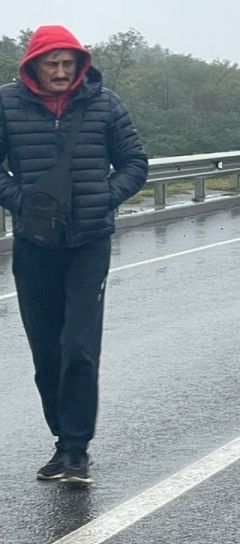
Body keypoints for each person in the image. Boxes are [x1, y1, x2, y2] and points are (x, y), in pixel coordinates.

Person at [0, 25, 148, 485]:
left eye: (69, 63)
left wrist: (103, 198)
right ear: (33, 66)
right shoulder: (7, 105)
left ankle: (77, 450)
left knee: (78, 347)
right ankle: (62, 443)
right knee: (47, 353)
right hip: (34, 245)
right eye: (52, 64)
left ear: (79, 65)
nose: (62, 72)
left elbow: (135, 163)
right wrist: (21, 201)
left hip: (88, 243)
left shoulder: (104, 102)